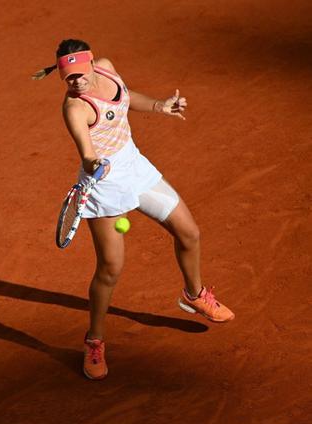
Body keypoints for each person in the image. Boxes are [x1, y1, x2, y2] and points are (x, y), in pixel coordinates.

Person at [34, 39, 234, 380]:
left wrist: (159, 106)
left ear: (93, 64)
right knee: (110, 269)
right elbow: (86, 149)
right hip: (106, 186)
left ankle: (195, 294)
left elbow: (127, 98)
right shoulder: (75, 108)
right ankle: (94, 341)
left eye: (80, 74)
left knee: (189, 232)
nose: (77, 82)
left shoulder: (108, 69)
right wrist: (93, 162)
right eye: (69, 79)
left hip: (136, 169)